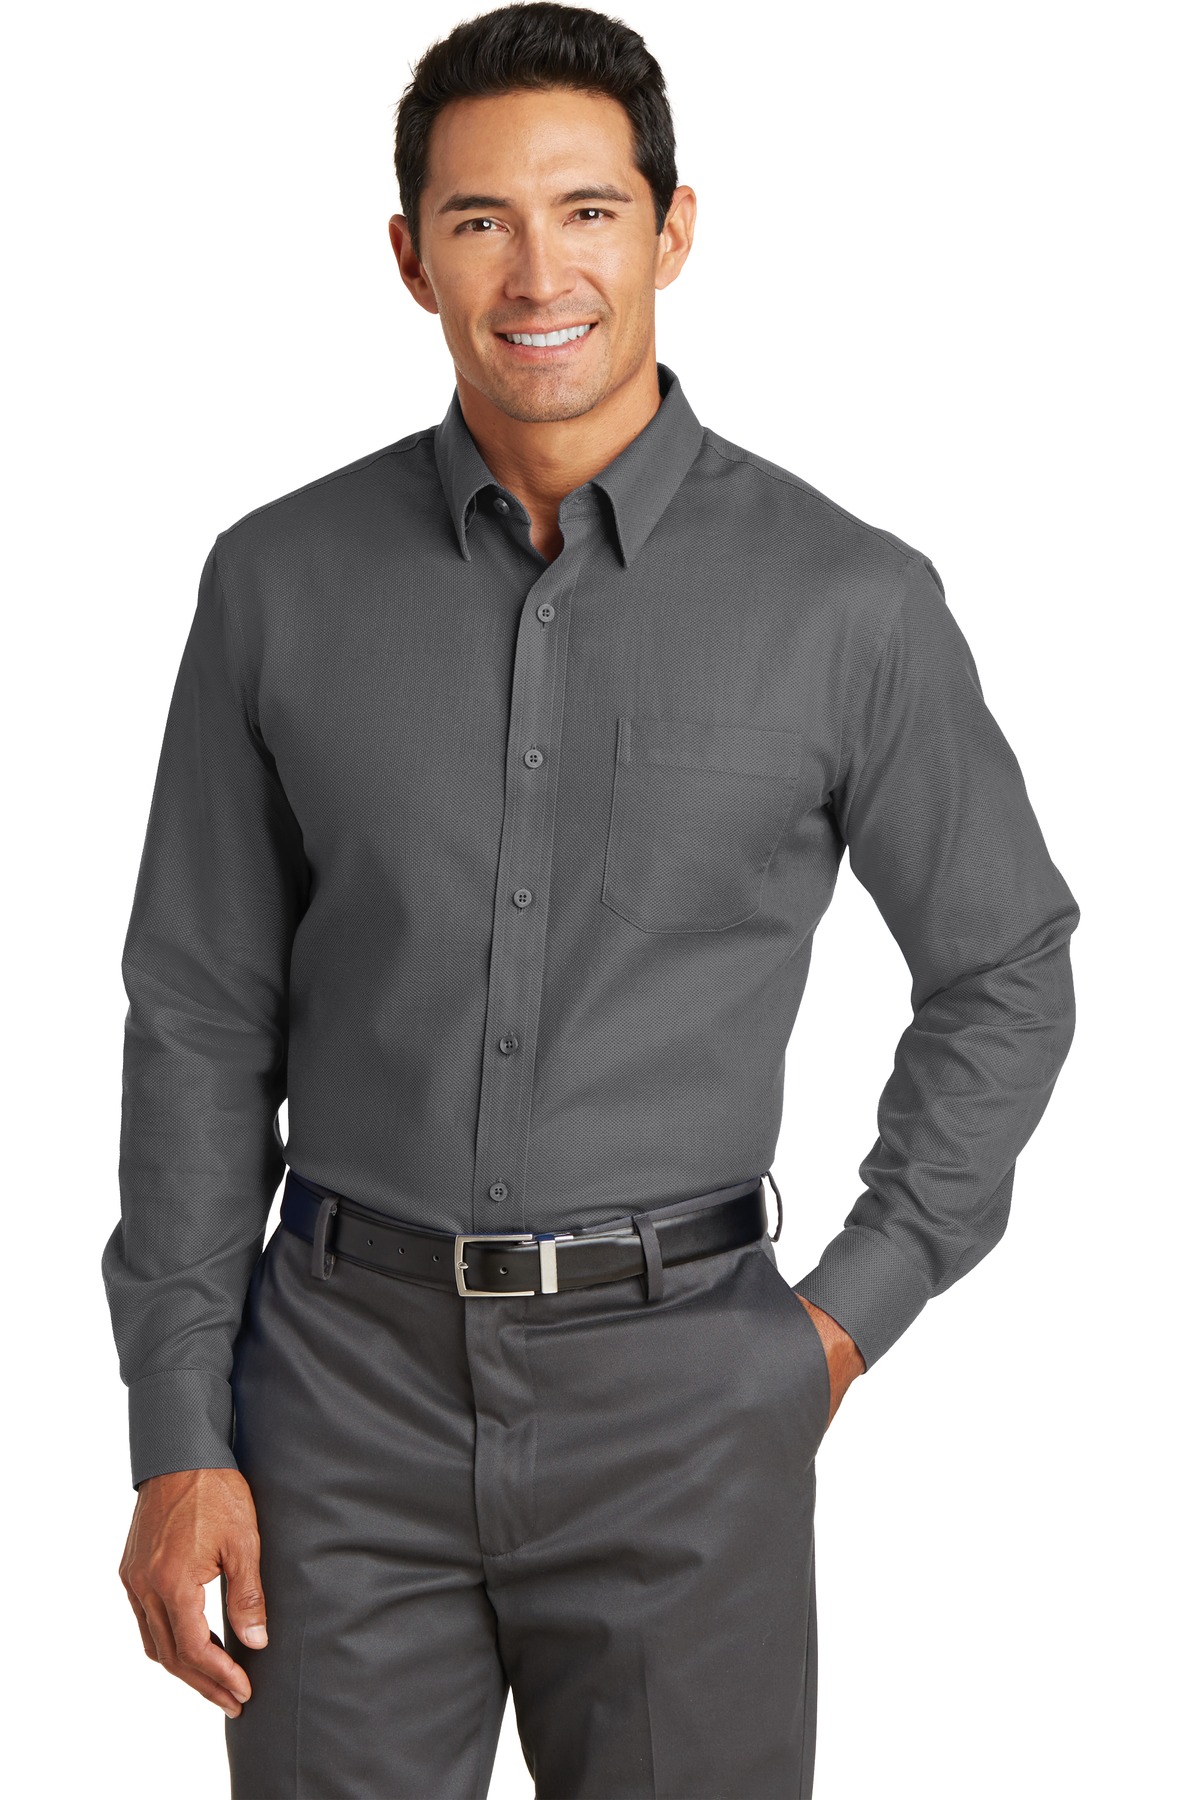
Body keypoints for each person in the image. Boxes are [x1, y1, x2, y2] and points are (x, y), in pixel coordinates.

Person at [101, 5, 1081, 1795]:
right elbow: (199, 1015)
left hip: (687, 1410)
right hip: (333, 1411)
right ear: (410, 257)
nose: (537, 272)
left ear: (672, 231)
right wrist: (178, 1423)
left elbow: (1006, 963)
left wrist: (839, 1324)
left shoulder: (850, 604)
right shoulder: (274, 584)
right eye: (480, 219)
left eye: (589, 212)